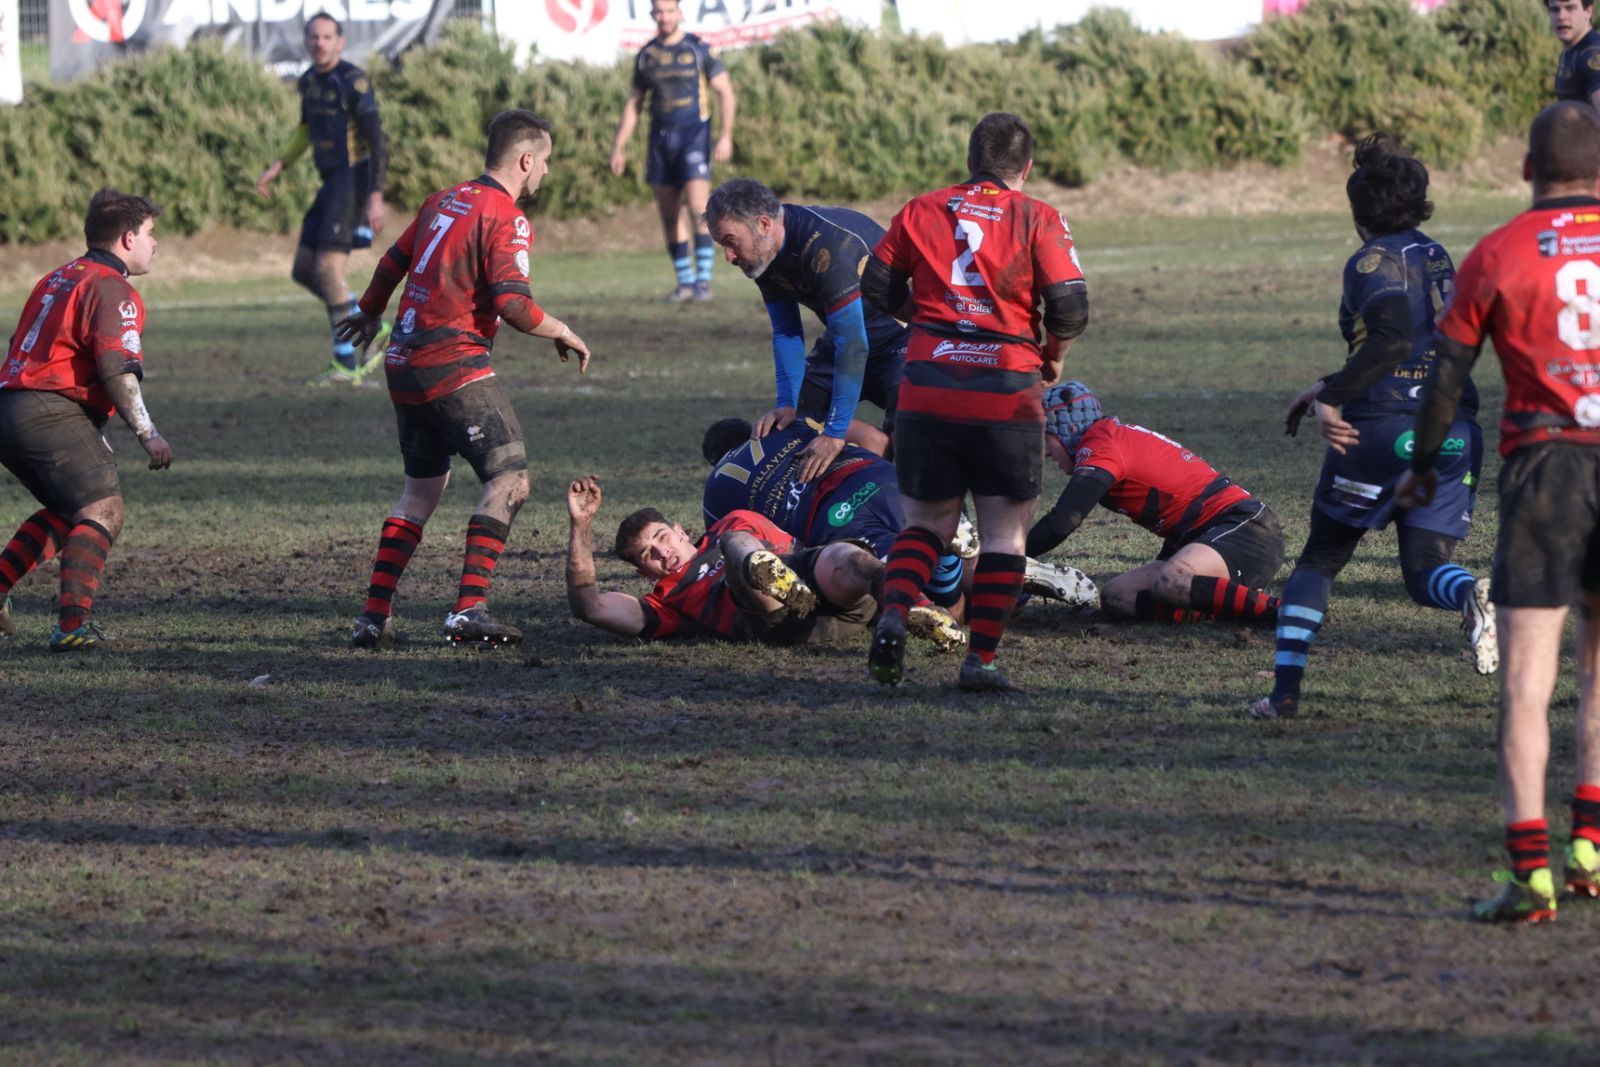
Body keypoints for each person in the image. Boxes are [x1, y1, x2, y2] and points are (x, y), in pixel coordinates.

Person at [1399, 102, 1600, 923]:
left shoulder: (1498, 253)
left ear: (1526, 170)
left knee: (1526, 683)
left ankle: (1530, 874)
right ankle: (1590, 847)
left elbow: (1446, 381)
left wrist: (1419, 472)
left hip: (1546, 470)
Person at [1252, 135, 1494, 722]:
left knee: (1320, 561)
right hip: (1452, 428)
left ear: (1358, 213)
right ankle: (1471, 595)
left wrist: (1335, 395)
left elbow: (1392, 340)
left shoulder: (1370, 262)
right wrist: (1329, 382)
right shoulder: (1438, 255)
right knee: (1424, 568)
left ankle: (1284, 694)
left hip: (1379, 431)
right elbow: (1423, 348)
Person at [337, 109, 592, 649]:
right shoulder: (506, 216)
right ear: (526, 160)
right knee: (511, 480)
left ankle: (372, 617)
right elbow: (513, 305)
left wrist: (368, 312)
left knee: (421, 492)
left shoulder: (443, 200)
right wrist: (562, 330)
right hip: (453, 365)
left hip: (403, 363)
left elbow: (392, 260)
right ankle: (469, 609)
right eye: (545, 162)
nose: (546, 172)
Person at [860, 112, 1088, 692]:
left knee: (926, 526)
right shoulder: (1038, 216)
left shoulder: (921, 209)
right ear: (1026, 167)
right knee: (1004, 537)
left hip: (927, 386)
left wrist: (929, 323)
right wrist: (1053, 354)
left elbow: (877, 286)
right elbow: (1069, 306)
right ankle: (980, 660)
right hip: (1006, 393)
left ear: (969, 160)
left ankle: (893, 612)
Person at [0, 188, 174, 651]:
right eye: (151, 234)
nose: (155, 243)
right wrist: (148, 434)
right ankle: (72, 627)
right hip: (48, 411)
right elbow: (116, 368)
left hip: (12, 408)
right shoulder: (114, 289)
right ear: (126, 238)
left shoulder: (57, 278)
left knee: (70, 511)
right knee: (103, 510)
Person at [701, 416, 1098, 616]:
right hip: (878, 475)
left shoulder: (717, 486)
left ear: (713, 461)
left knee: (946, 610)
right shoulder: (791, 423)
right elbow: (876, 440)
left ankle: (947, 565)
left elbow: (739, 545)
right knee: (970, 568)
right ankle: (1003, 570)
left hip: (835, 514)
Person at [564, 476, 960, 647]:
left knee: (844, 557)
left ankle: (918, 609)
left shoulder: (734, 520)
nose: (662, 553)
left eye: (662, 538)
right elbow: (590, 607)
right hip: (772, 619)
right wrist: (580, 526)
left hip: (820, 592)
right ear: (642, 572)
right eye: (649, 555)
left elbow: (799, 548)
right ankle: (766, 574)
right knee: (737, 543)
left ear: (680, 530)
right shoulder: (664, 602)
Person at [1028, 381, 1283, 626]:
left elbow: (1064, 520)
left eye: (1045, 436)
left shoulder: (1103, 446)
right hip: (1205, 539)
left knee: (1172, 579)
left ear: (1068, 429)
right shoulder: (1108, 438)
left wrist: (1009, 557)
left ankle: (1284, 611)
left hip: (1247, 531)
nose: (1046, 451)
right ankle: (1223, 608)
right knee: (1118, 597)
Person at [704, 179, 908, 471]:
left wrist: (835, 433)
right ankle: (875, 453)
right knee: (794, 426)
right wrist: (786, 402)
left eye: (730, 241)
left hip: (903, 339)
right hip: (847, 338)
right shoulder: (764, 254)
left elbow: (852, 345)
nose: (729, 256)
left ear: (763, 224)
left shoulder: (827, 245)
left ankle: (956, 516)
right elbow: (787, 332)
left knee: (913, 429)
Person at [255, 13, 391, 385]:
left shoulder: (353, 81)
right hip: (330, 182)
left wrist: (376, 196)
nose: (320, 43)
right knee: (303, 269)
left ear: (339, 42)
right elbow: (305, 131)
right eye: (314, 37)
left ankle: (346, 362)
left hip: (353, 181)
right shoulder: (308, 82)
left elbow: (378, 141)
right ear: (306, 41)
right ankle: (369, 325)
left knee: (329, 270)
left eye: (327, 37)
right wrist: (278, 165)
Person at [609, 0, 735, 303]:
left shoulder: (698, 48)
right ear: (653, 14)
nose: (664, 17)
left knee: (697, 205)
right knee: (668, 212)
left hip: (694, 136)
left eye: (669, 11)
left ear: (680, 12)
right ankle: (685, 283)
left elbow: (725, 92)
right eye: (659, 12)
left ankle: (704, 282)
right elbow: (635, 103)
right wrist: (619, 144)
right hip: (660, 141)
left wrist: (726, 136)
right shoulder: (647, 55)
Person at [1550, 0, 1600, 108]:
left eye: (1570, 8)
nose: (1561, 16)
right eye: (1555, 9)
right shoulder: (1571, 51)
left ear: (1588, 11)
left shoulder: (1593, 55)